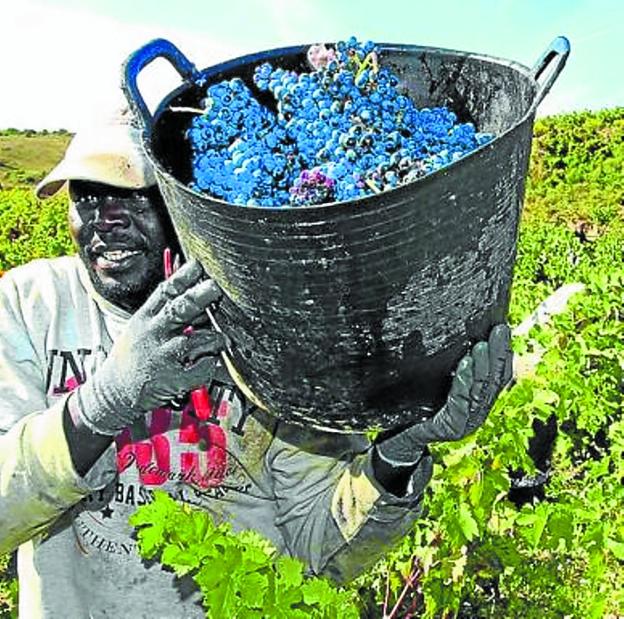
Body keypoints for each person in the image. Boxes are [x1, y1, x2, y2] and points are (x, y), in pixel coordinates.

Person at [0, 108, 512, 618]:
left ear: (183, 201)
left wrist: (399, 451)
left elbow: (323, 549)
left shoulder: (267, 320)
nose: (105, 218)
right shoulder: (30, 306)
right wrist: (100, 406)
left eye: (132, 193)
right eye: (86, 196)